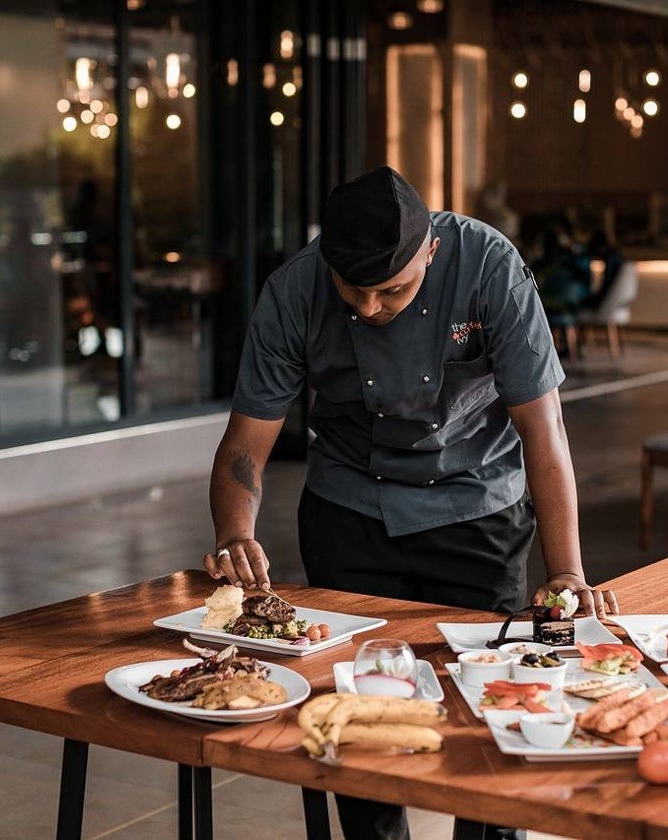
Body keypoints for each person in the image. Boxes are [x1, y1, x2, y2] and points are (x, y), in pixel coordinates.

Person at [203, 166, 619, 840]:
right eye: (353, 292)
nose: (369, 308)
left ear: (429, 250)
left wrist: (566, 570)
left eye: (390, 290)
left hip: (477, 506)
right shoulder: (294, 290)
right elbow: (245, 443)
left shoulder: (489, 267)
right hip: (349, 510)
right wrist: (235, 529)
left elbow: (543, 433)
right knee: (359, 714)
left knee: (488, 708)